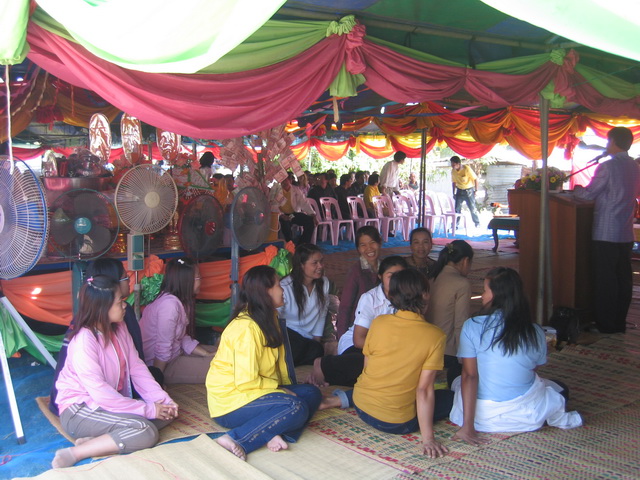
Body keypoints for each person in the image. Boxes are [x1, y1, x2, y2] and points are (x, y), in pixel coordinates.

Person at [52, 275, 178, 469]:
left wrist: (162, 400)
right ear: (102, 308)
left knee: (167, 413)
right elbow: (101, 394)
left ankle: (98, 441)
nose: (125, 305)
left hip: (106, 404)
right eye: (120, 302)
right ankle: (74, 453)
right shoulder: (84, 341)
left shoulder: (119, 328)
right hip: (81, 410)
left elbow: (137, 368)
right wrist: (148, 409)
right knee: (145, 431)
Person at [326, 269, 454, 458]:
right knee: (450, 397)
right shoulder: (435, 336)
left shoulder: (379, 322)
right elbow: (424, 390)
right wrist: (428, 439)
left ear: (392, 296)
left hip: (362, 406)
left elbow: (368, 369)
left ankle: (343, 399)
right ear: (425, 296)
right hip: (397, 423)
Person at [450, 267, 582, 444]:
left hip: (481, 415)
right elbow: (534, 367)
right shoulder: (535, 331)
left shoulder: (472, 326)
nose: (482, 296)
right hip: (525, 415)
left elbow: (470, 376)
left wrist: (468, 426)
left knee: (456, 375)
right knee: (560, 388)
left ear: (497, 295)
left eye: (485, 291)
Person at [206, 265, 322, 460]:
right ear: (266, 291)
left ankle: (273, 431)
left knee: (311, 393)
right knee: (294, 407)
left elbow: (279, 367)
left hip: (255, 392)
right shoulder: (246, 328)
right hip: (231, 402)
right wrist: (281, 391)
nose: (282, 290)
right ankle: (236, 439)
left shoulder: (269, 317)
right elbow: (246, 382)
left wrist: (285, 389)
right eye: (278, 285)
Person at [49, 259, 163, 415]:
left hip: (108, 393)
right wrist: (147, 408)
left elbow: (136, 363)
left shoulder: (115, 323)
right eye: (125, 278)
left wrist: (162, 401)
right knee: (145, 420)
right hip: (86, 404)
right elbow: (99, 391)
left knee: (159, 409)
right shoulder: (85, 336)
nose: (129, 281)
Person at [573, 127, 640, 333]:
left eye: (608, 141)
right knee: (623, 279)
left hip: (605, 233)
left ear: (613, 142)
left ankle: (605, 324)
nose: (606, 145)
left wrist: (576, 190)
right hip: (625, 232)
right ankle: (619, 322)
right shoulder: (635, 166)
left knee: (605, 280)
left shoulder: (607, 167)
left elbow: (588, 195)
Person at [306, 256, 407, 387]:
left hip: (388, 348)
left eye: (400, 276)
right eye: (390, 276)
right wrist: (385, 351)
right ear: (380, 277)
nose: (395, 280)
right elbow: (359, 340)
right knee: (366, 364)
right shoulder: (369, 298)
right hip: (358, 345)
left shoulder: (408, 297)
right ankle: (324, 364)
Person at [140, 258, 216, 384]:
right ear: (186, 281)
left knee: (222, 355)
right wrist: (156, 381)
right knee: (225, 368)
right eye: (198, 277)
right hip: (162, 364)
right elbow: (163, 349)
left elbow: (181, 338)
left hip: (175, 353)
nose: (201, 281)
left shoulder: (177, 301)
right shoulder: (169, 306)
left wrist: (206, 353)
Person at [426, 240, 474, 386]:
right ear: (465, 261)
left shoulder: (432, 278)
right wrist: (464, 357)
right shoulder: (462, 284)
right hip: (447, 352)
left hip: (427, 348)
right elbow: (460, 324)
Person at [278, 244, 330, 366]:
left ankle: (288, 361)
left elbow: (322, 314)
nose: (320, 266)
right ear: (301, 265)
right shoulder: (285, 286)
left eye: (321, 262)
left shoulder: (324, 283)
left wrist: (317, 339)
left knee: (317, 350)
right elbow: (275, 317)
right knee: (291, 345)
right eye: (315, 263)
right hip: (289, 334)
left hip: (306, 339)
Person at [336, 226, 382, 338]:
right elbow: (345, 307)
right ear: (358, 249)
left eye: (372, 242)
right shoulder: (355, 272)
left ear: (379, 243)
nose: (369, 248)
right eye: (363, 245)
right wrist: (342, 338)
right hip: (359, 330)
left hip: (381, 327)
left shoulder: (385, 269)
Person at [270, 176, 316, 245]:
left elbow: (304, 202)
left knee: (310, 221)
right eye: (282, 181)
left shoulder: (296, 190)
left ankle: (302, 244)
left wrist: (313, 214)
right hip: (281, 215)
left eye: (286, 180)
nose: (284, 183)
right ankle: (290, 245)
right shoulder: (276, 190)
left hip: (292, 214)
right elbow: (273, 205)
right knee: (285, 224)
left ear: (290, 181)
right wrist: (282, 215)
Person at [450, 156, 480, 228]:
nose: (452, 166)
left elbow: (475, 179)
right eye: (452, 164)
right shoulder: (453, 171)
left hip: (468, 191)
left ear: (458, 164)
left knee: (472, 208)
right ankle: (455, 224)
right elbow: (454, 182)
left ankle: (477, 223)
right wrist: (453, 193)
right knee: (457, 208)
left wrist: (476, 190)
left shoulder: (467, 169)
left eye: (454, 164)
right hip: (459, 190)